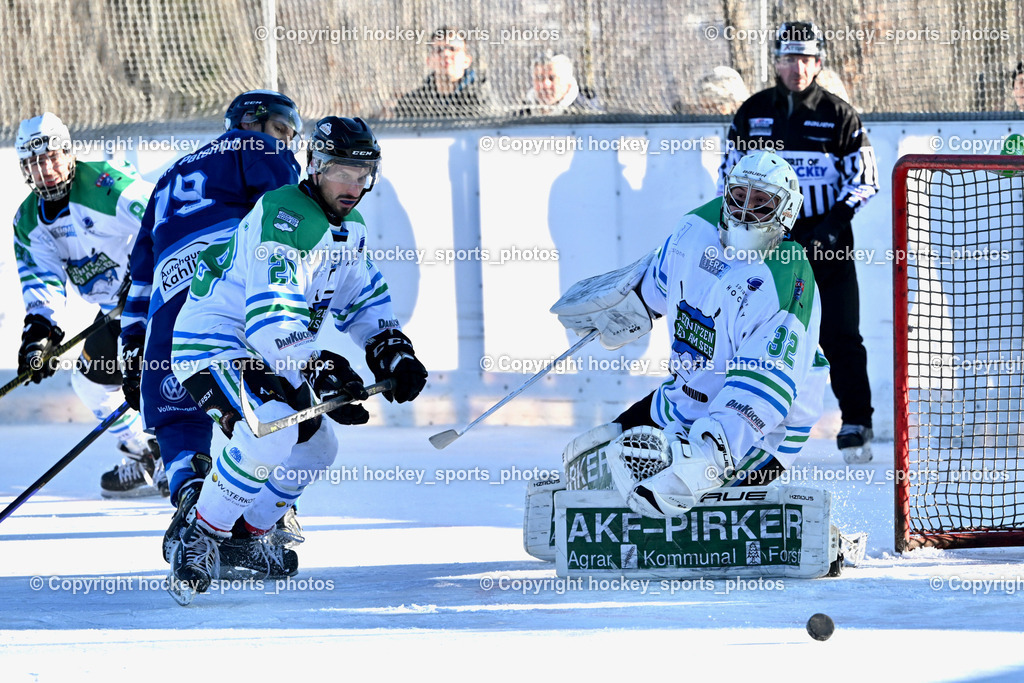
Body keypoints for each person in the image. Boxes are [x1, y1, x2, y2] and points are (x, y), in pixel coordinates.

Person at [167, 116, 428, 596]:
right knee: (270, 429)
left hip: (268, 350)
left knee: (317, 446)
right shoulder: (283, 214)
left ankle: (246, 536)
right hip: (214, 343)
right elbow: (271, 320)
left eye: (362, 173)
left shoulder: (351, 226)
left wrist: (391, 350)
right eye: (341, 172)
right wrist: (321, 366)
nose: (352, 186)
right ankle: (199, 534)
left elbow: (364, 299)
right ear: (315, 165)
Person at [551, 151, 828, 516]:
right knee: (594, 456)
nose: (744, 212)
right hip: (684, 398)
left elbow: (762, 392)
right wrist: (625, 308)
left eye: (761, 203)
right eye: (738, 197)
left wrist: (705, 457)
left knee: (668, 486)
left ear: (785, 212)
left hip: (761, 429)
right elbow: (657, 285)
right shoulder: (695, 228)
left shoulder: (785, 278)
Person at [119, 89, 303, 561]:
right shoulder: (260, 150)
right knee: (277, 414)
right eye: (282, 130)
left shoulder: (166, 178)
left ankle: (191, 512)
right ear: (253, 122)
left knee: (178, 420)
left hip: (166, 308)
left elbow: (139, 274)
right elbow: (284, 215)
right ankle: (254, 524)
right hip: (224, 295)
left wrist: (131, 342)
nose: (287, 142)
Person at [718, 21, 879, 463]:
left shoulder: (838, 113)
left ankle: (856, 423)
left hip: (828, 241)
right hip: (767, 243)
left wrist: (833, 223)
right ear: (775, 62)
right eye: (789, 58)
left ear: (819, 62)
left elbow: (865, 180)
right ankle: (744, 421)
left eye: (806, 58)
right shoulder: (752, 112)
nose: (797, 68)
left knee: (840, 333)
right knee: (755, 330)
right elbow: (727, 176)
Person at [12, 112, 163, 497]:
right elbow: (42, 282)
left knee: (154, 375)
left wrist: (142, 274)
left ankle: (178, 458)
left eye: (50, 157)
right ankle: (144, 454)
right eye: (33, 162)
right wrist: (40, 336)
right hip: (115, 310)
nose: (44, 169)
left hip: (159, 297)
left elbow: (161, 218)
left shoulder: (103, 183)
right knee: (92, 383)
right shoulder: (29, 221)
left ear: (68, 153)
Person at [391, 27, 492, 119]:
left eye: (453, 49)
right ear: (429, 61)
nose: (446, 54)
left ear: (467, 61)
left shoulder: (482, 99)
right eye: (439, 50)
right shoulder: (413, 103)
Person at [518, 51, 600, 116]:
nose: (545, 84)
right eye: (539, 78)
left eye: (552, 78)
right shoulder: (521, 114)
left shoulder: (586, 115)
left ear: (568, 83)